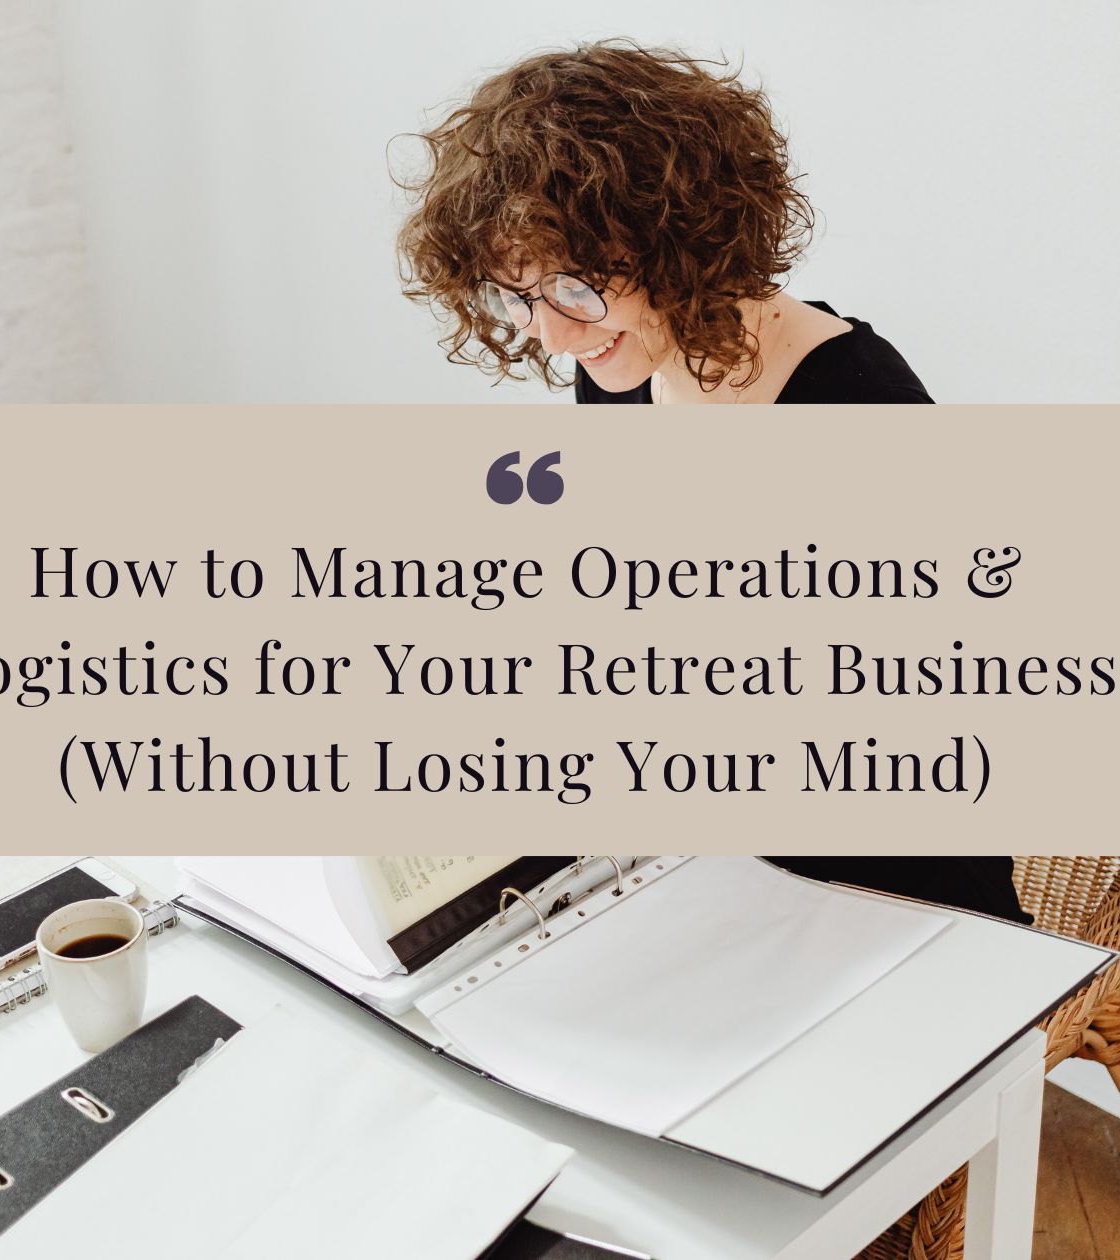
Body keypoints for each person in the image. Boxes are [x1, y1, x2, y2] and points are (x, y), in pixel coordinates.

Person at [396, 40, 1029, 924]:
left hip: (888, 887)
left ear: (676, 243)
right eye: (517, 296)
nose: (552, 334)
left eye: (574, 287)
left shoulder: (857, 403)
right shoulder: (624, 361)